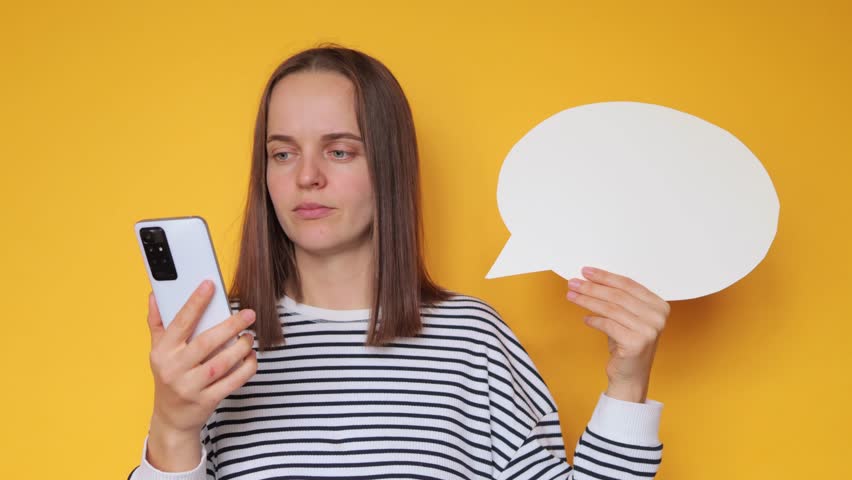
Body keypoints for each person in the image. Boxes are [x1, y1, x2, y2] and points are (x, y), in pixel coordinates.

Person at [128, 44, 668, 480]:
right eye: (283, 152)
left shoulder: (472, 339)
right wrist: (172, 428)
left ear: (389, 165)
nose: (306, 177)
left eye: (340, 150)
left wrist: (628, 381)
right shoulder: (218, 346)